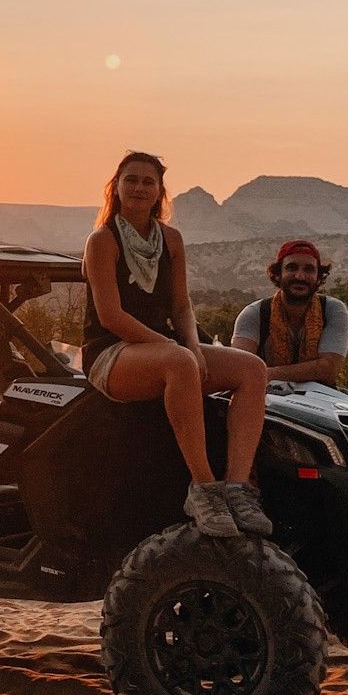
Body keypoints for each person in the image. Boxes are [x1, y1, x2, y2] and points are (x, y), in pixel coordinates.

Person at [81, 151, 271, 538]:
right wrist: (179, 352)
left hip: (165, 352)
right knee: (179, 363)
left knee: (252, 370)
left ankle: (237, 487)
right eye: (130, 179)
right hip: (111, 355)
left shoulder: (171, 240)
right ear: (116, 187)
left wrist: (194, 348)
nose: (138, 187)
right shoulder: (103, 241)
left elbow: (181, 305)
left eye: (147, 181)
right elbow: (111, 317)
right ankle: (203, 488)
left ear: (160, 192)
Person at [231, 239, 348, 385]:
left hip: (320, 400)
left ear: (319, 278)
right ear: (277, 274)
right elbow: (241, 368)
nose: (300, 276)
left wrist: (269, 373)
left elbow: (329, 369)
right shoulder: (255, 314)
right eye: (291, 268)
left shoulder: (332, 310)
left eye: (309, 269)